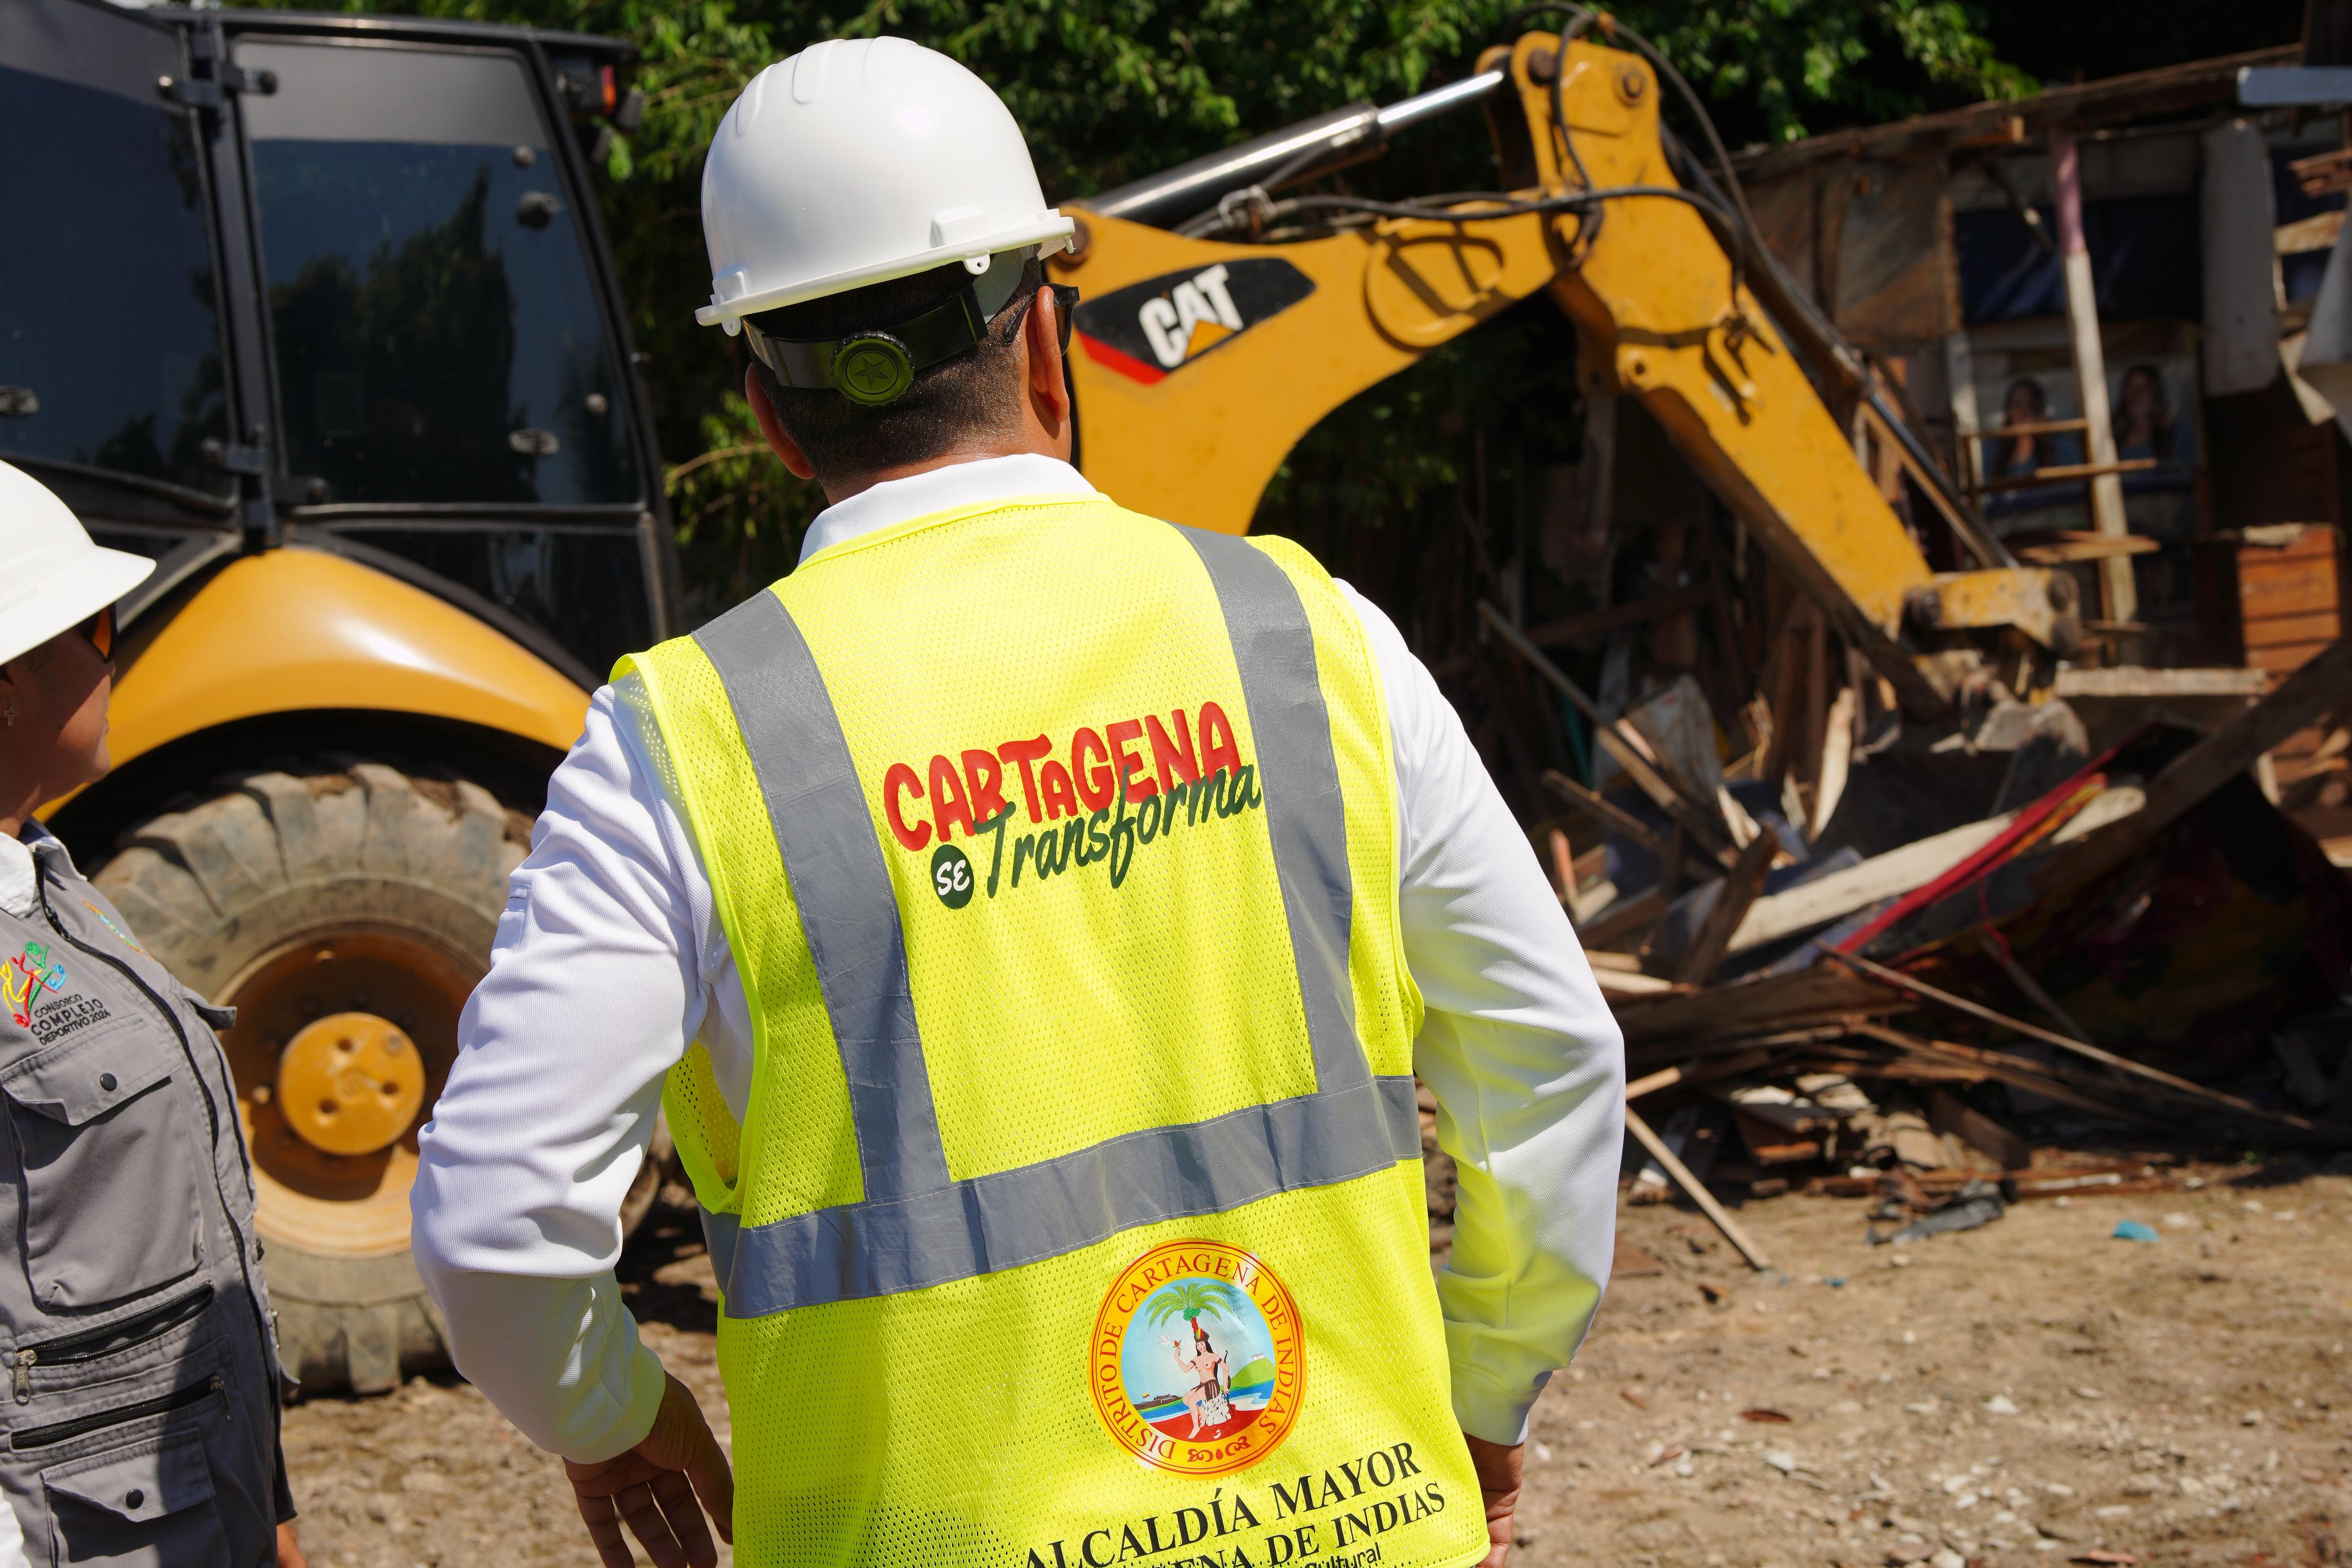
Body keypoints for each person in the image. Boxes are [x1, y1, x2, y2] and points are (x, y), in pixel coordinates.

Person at [409, 36, 1623, 1568]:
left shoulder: (680, 743)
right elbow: (1552, 1061)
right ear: (1048, 338)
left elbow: (496, 1224)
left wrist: (612, 1414)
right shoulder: (1314, 638)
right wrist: (1489, 1381)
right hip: (1352, 1523)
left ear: (771, 412)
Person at [0, 461, 306, 1567]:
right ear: (6, 683)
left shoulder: (53, 888)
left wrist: (268, 1511)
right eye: (96, 629)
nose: (113, 657)